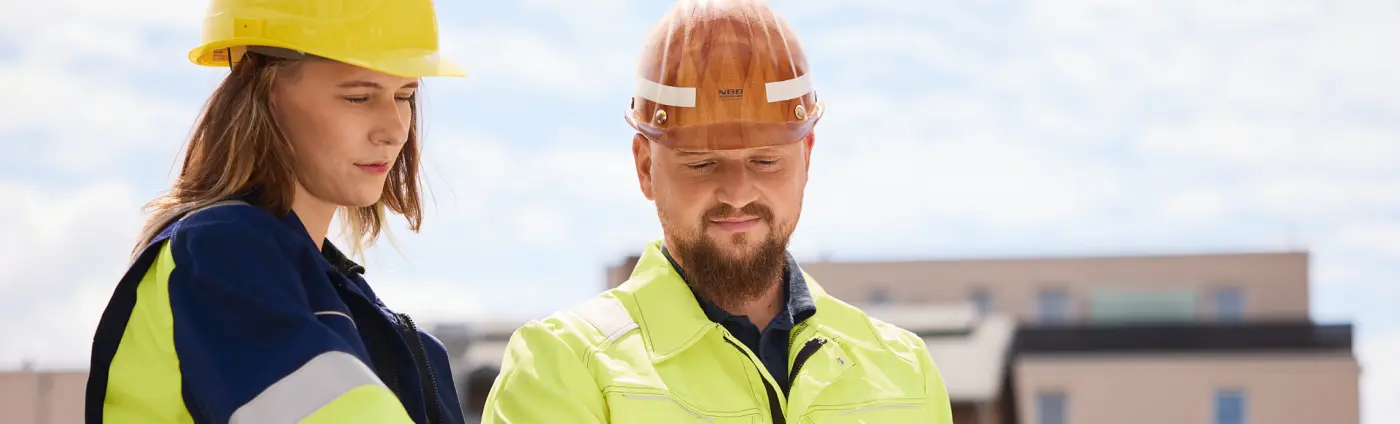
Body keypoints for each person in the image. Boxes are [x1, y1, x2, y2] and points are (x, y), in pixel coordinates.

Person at [481, 1, 952, 423]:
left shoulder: (906, 372)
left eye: (765, 161)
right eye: (702, 163)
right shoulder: (565, 367)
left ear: (806, 158)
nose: (737, 191)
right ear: (646, 167)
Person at [84, 0, 468, 422]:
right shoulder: (219, 254)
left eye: (405, 95)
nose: (395, 129)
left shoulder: (394, 336)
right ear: (264, 92)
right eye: (358, 97)